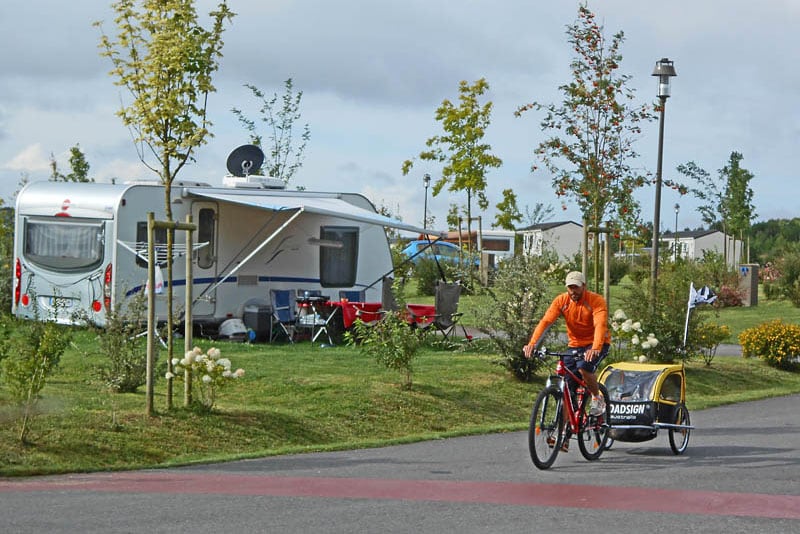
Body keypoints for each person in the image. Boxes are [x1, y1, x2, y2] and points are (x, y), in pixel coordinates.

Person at [523, 271, 610, 420]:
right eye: (570, 287)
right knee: (566, 391)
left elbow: (600, 324)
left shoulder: (596, 300)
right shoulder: (561, 301)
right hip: (575, 344)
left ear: (584, 286)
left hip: (597, 343)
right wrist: (532, 344)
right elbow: (546, 322)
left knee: (584, 367)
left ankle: (597, 397)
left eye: (576, 287)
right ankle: (563, 436)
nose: (573, 291)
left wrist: (595, 348)